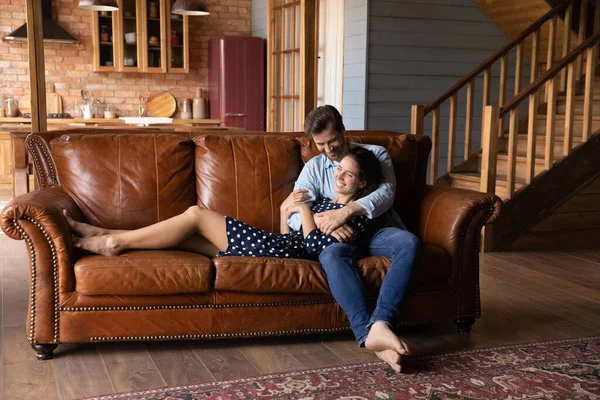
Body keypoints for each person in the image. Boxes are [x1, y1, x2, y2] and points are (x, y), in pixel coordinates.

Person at [65, 146, 383, 265]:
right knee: (181, 239)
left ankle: (113, 241)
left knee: (196, 215)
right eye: (338, 169)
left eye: (348, 173)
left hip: (278, 253)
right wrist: (293, 215)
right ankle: (104, 231)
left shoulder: (355, 217)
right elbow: (297, 234)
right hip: (279, 244)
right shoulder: (327, 202)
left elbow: (317, 248)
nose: (338, 175)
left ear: (363, 183)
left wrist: (302, 211)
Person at [285, 105, 419, 373]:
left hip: (375, 229)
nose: (328, 149)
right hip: (339, 240)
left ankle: (381, 323)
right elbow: (293, 214)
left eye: (332, 141)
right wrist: (327, 223)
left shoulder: (375, 155)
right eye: (320, 144)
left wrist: (345, 212)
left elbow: (385, 195)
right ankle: (370, 337)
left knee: (409, 242)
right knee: (331, 255)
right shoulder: (314, 167)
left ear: (343, 131)